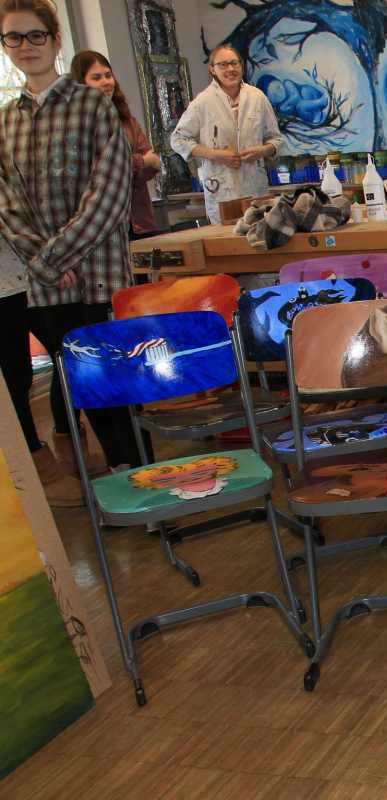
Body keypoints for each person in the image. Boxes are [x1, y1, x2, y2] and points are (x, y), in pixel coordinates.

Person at [0, 0, 144, 503]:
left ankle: (148, 488)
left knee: (117, 388)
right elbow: (7, 205)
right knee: (79, 388)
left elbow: (108, 194)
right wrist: (45, 264)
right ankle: (118, 491)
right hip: (46, 288)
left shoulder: (93, 106)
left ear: (56, 40)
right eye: (14, 38)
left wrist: (53, 258)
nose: (26, 47)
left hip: (97, 275)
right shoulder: (6, 122)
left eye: (35, 35)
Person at [170, 43, 283, 225]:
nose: (230, 69)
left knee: (260, 233)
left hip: (255, 187)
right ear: (212, 69)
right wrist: (215, 155)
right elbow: (178, 139)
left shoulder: (257, 98)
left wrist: (262, 150)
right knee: (226, 236)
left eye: (234, 63)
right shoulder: (203, 102)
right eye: (223, 65)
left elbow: (276, 139)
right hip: (221, 190)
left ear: (241, 66)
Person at [70, 50, 161, 239]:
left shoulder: (127, 120)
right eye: (96, 78)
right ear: (81, 84)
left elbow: (153, 165)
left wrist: (134, 166)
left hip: (139, 220)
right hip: (103, 226)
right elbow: (100, 171)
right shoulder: (76, 125)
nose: (106, 82)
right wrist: (141, 162)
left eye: (108, 75)